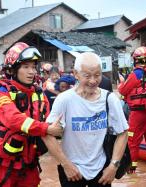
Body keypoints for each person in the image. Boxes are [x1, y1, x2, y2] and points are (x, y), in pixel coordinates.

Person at [0, 42, 64, 187]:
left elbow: (51, 121)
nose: (32, 72)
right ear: (13, 70)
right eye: (26, 67)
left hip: (30, 162)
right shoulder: (1, 92)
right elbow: (13, 119)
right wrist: (45, 129)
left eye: (33, 67)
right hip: (5, 165)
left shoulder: (38, 93)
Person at [44, 52, 129, 187]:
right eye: (87, 75)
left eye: (97, 75)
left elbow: (123, 133)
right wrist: (66, 164)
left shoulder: (110, 99)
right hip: (72, 171)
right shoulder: (64, 100)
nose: (93, 81)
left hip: (102, 171)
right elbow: (46, 134)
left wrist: (113, 166)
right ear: (76, 74)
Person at [118, 46, 146, 173]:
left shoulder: (136, 74)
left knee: (132, 140)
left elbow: (123, 90)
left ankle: (131, 168)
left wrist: (121, 83)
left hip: (138, 113)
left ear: (136, 60)